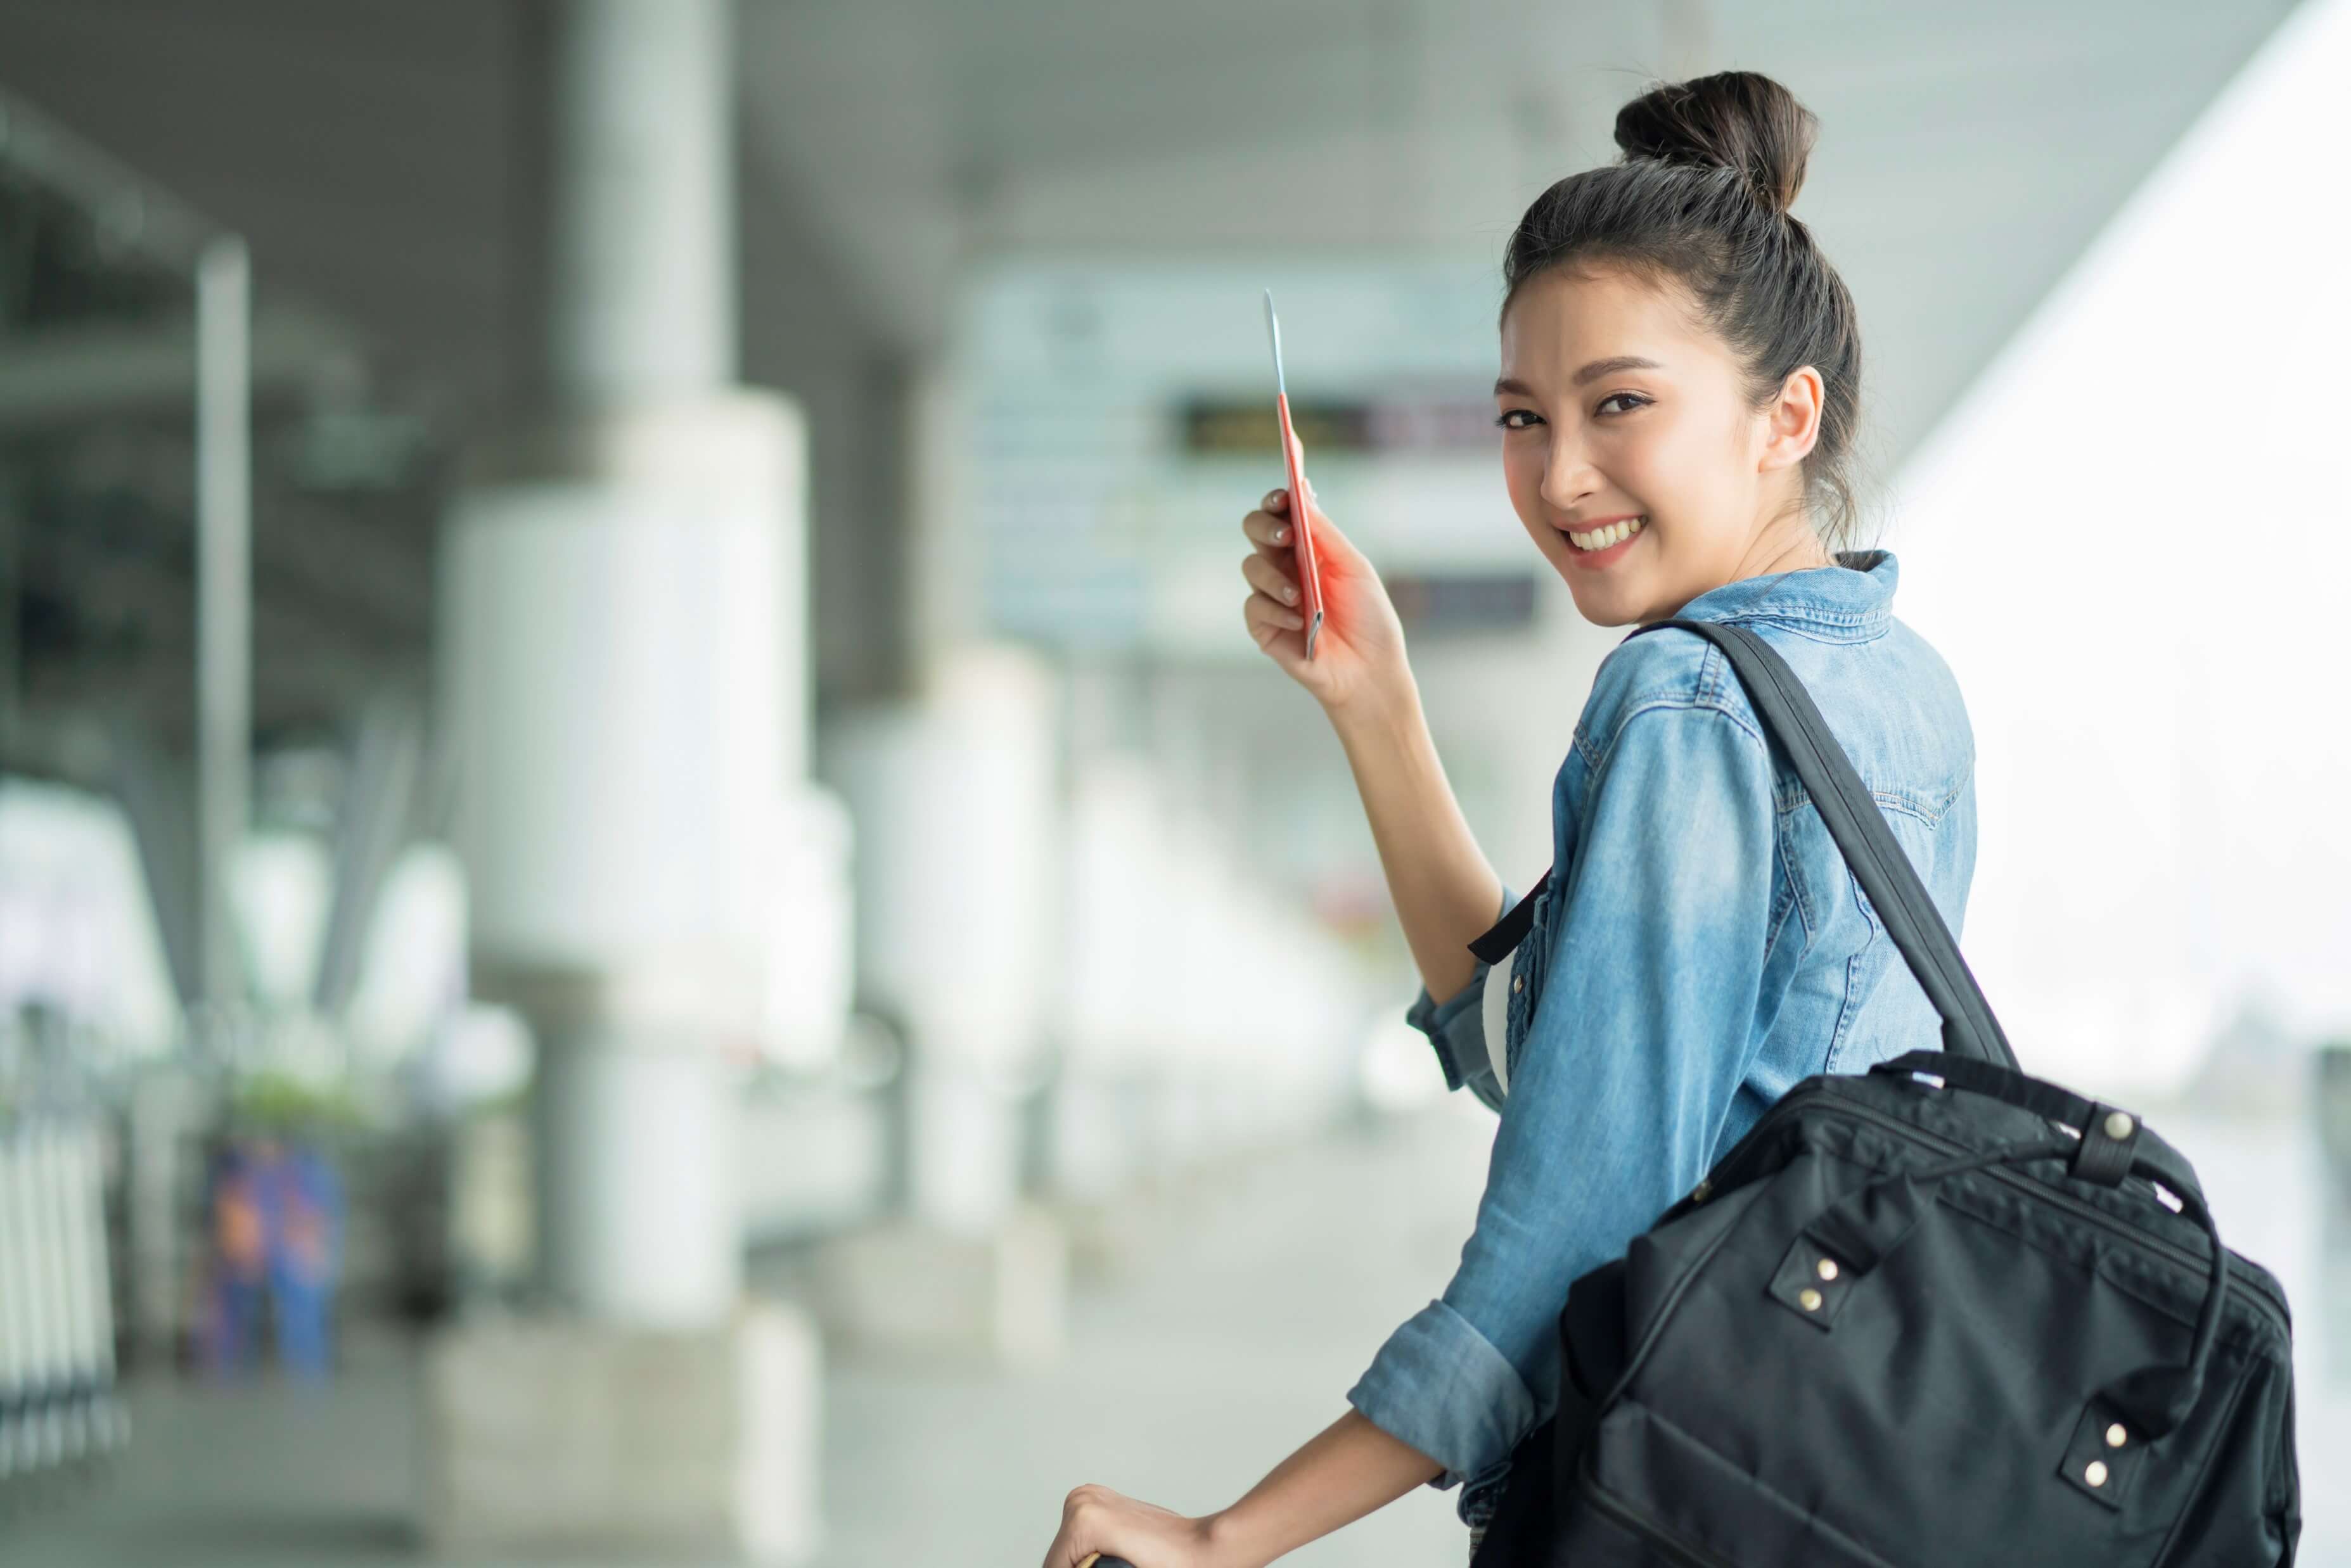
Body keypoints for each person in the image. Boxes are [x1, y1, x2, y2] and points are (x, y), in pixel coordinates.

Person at [1041, 68, 1978, 1568]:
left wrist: (1226, 1534)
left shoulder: (1685, 700)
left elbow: (1570, 1234)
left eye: (1620, 405)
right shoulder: (1895, 681)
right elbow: (1562, 1065)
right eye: (1520, 416)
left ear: (1782, 416)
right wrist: (1376, 700)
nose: (1558, 476)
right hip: (1844, 1472)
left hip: (1680, 1490)